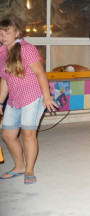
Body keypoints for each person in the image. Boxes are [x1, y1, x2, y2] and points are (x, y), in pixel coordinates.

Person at [0, 17, 58, 185]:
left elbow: (40, 73)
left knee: (28, 133)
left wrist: (46, 96)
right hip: (14, 99)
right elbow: (5, 79)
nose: (3, 36)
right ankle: (19, 167)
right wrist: (0, 101)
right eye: (0, 33)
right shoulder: (2, 51)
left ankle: (29, 170)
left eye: (7, 32)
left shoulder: (27, 49)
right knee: (7, 134)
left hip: (33, 96)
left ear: (17, 33)